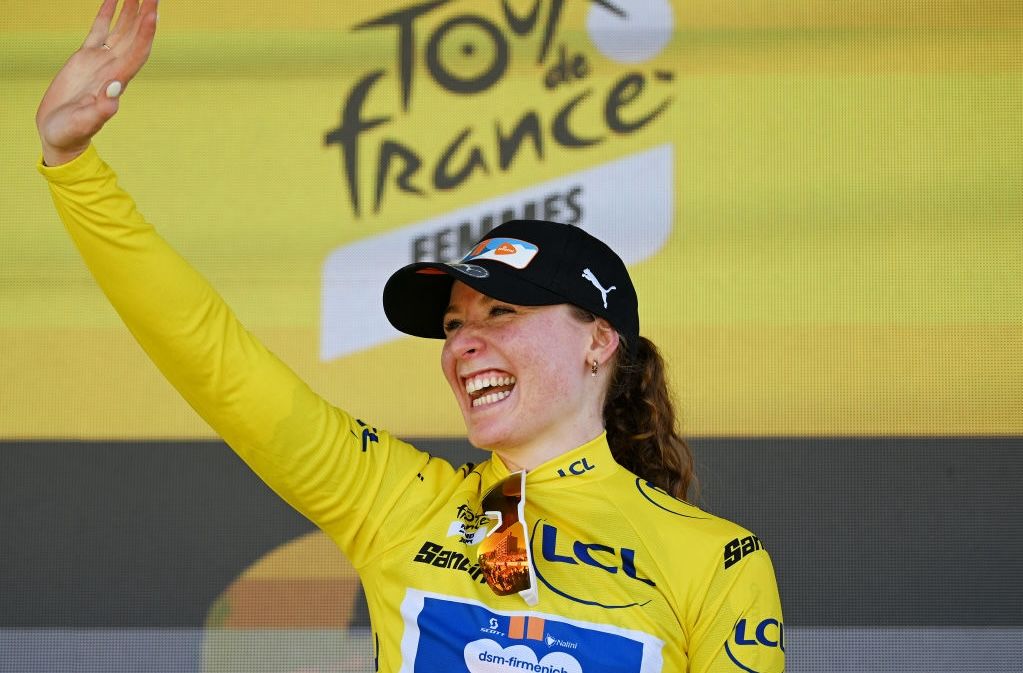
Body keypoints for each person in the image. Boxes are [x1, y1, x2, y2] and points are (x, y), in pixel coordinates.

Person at [36, 1, 784, 671]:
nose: (462, 343)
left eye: (501, 314)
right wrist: (74, 167)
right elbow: (213, 357)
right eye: (455, 324)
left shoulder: (715, 559)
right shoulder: (395, 502)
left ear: (598, 340)